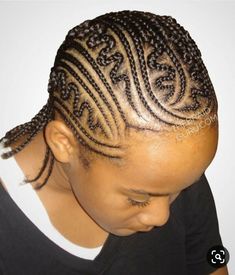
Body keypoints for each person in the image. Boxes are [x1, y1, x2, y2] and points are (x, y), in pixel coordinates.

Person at [0, 10, 229, 275]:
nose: (162, 217)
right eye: (138, 198)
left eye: (181, 188)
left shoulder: (173, 172)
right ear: (64, 144)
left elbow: (211, 260)